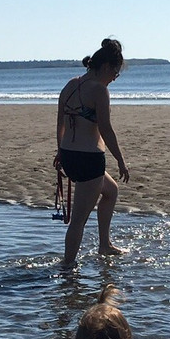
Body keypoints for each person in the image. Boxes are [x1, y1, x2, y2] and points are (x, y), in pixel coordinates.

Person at [55, 38, 130, 269]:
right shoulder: (100, 90)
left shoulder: (71, 84)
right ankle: (68, 268)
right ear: (107, 67)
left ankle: (104, 244)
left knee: (111, 191)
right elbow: (106, 129)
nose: (115, 77)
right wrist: (121, 160)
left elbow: (60, 122)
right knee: (78, 220)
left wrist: (60, 151)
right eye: (116, 72)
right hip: (89, 159)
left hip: (69, 154)